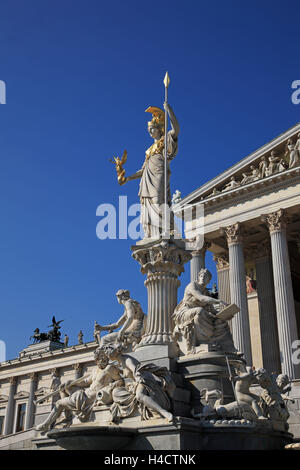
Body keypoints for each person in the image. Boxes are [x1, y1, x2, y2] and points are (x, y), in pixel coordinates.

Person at [121, 104, 179, 238]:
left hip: (159, 174)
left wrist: (170, 111)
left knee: (158, 201)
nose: (150, 132)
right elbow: (142, 170)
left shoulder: (165, 140)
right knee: (148, 206)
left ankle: (168, 229)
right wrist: (128, 178)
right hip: (147, 179)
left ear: (159, 129)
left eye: (152, 129)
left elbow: (176, 129)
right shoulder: (149, 150)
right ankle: (152, 233)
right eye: (149, 130)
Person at [35, 348, 123, 432]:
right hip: (84, 394)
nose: (99, 361)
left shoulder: (109, 369)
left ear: (105, 357)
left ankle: (46, 425)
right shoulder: (95, 370)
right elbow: (85, 382)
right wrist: (72, 382)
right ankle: (66, 417)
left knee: (59, 403)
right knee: (65, 388)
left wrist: (111, 386)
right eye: (97, 360)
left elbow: (120, 381)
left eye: (101, 358)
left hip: (89, 398)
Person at [103, 343, 175, 423]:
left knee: (140, 395)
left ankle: (164, 413)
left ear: (113, 352)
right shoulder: (120, 362)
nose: (106, 354)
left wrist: (137, 377)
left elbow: (134, 369)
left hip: (144, 379)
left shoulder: (126, 359)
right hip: (135, 383)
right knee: (116, 392)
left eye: (107, 352)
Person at [172, 268, 236, 354]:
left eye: (205, 277)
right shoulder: (192, 285)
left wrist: (225, 315)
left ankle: (228, 348)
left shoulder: (206, 292)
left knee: (221, 321)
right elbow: (201, 298)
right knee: (199, 311)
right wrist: (219, 301)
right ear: (198, 277)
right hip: (184, 313)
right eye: (201, 276)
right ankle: (202, 342)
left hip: (198, 312)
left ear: (208, 280)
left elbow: (213, 311)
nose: (203, 278)